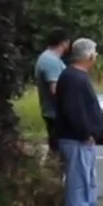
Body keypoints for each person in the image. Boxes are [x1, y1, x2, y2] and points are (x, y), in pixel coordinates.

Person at [55, 38, 103, 206]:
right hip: (76, 139)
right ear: (89, 55)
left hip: (82, 139)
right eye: (94, 53)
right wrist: (85, 133)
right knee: (79, 182)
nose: (96, 57)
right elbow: (74, 110)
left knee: (89, 181)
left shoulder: (75, 76)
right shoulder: (73, 78)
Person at [35, 30, 70, 158]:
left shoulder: (47, 58)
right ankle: (54, 176)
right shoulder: (51, 61)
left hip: (52, 113)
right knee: (58, 152)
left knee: (57, 150)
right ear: (64, 42)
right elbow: (55, 90)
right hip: (55, 114)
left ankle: (54, 174)